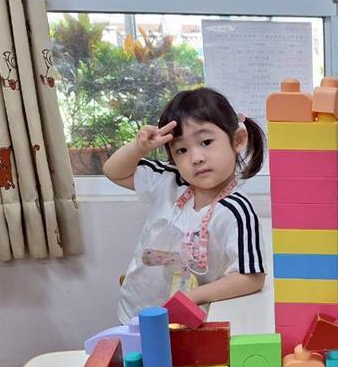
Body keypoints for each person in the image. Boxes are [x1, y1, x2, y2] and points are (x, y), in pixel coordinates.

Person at [104, 88, 266, 324]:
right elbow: (113, 171)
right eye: (182, 150)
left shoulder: (237, 211)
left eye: (206, 142)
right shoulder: (168, 180)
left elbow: (251, 277)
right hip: (135, 312)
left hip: (189, 321)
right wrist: (139, 147)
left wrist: (190, 298)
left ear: (238, 140)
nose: (196, 158)